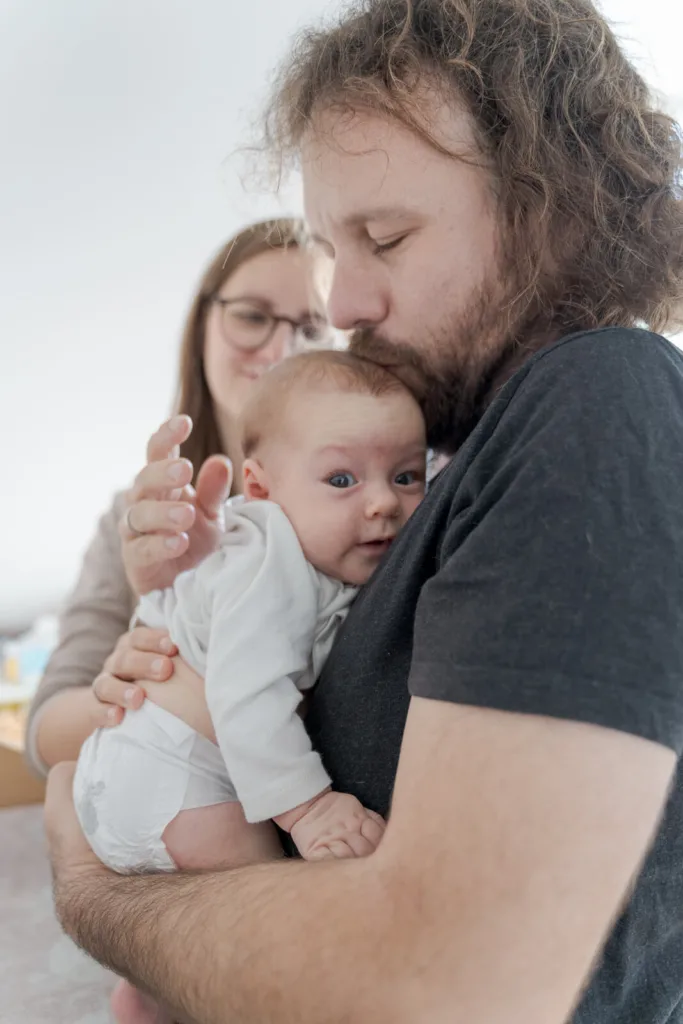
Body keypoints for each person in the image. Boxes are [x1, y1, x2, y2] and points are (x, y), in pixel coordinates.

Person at [45, 1, 683, 1022]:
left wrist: (91, 891)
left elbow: (443, 987)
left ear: (554, 214)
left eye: (382, 237)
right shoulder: (456, 465)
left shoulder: (601, 395)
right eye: (333, 246)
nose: (342, 304)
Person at [76, 350, 424, 1024]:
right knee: (267, 925)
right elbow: (246, 700)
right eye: (342, 478)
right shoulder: (269, 566)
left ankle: (143, 998)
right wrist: (311, 811)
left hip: (152, 770)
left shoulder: (302, 552)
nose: (384, 501)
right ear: (260, 490)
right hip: (173, 779)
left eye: (406, 475)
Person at [26, 217, 330, 774]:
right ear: (203, 323)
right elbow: (44, 736)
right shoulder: (138, 517)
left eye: (313, 328)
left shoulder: (374, 511)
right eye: (253, 317)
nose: (282, 349)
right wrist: (122, 690)